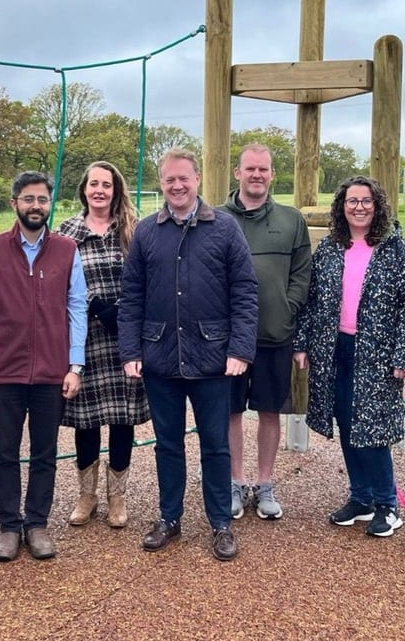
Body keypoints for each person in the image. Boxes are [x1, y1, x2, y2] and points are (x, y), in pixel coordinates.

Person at [118, 147, 258, 561]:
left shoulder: (225, 229)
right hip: (160, 356)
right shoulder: (146, 231)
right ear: (160, 183)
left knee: (216, 444)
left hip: (213, 359)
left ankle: (220, 523)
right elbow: (132, 296)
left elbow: (245, 292)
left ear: (198, 179)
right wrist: (131, 349)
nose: (177, 186)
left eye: (184, 178)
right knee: (168, 443)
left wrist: (240, 348)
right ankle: (169, 517)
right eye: (169, 180)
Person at [293, 176, 405, 537]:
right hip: (335, 348)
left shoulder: (397, 250)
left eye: (366, 201)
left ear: (377, 205)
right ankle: (360, 497)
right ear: (342, 206)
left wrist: (403, 354)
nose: (359, 207)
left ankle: (387, 504)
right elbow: (312, 299)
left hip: (378, 353)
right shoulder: (332, 248)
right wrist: (302, 343)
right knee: (348, 422)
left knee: (373, 428)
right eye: (352, 201)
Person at [0, 171, 88, 561]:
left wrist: (75, 364)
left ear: (50, 204)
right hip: (4, 369)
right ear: (14, 203)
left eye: (42, 199)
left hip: (53, 371)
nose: (35, 206)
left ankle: (36, 523)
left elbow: (77, 308)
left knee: (44, 452)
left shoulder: (68, 250)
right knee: (4, 451)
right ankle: (8, 525)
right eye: (28, 199)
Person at [220, 143, 311, 520]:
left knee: (271, 411)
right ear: (237, 173)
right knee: (230, 412)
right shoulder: (216, 219)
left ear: (273, 174)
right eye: (250, 169)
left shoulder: (292, 220)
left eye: (264, 169)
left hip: (276, 334)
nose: (257, 175)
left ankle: (265, 482)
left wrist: (286, 309)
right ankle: (235, 482)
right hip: (227, 340)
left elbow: (302, 275)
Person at [57, 161, 149, 529]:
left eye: (106, 185)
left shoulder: (133, 230)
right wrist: (93, 305)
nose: (99, 190)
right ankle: (86, 494)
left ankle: (117, 497)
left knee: (122, 419)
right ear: (84, 190)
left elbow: (147, 280)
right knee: (87, 421)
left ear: (116, 190)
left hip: (125, 337)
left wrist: (122, 313)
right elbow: (57, 284)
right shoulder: (67, 233)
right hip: (84, 338)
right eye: (93, 184)